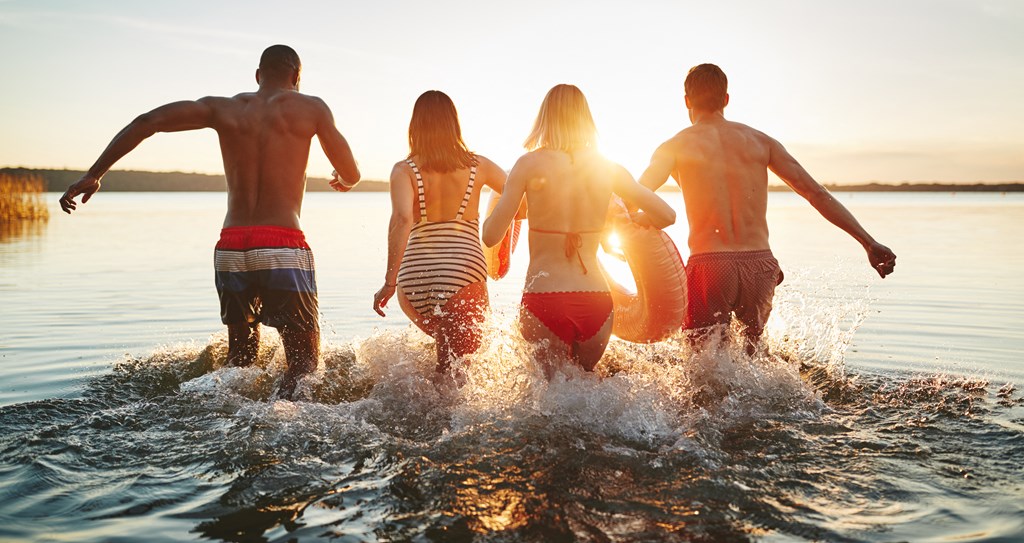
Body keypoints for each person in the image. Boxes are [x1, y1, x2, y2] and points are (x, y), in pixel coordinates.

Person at [58, 44, 360, 399]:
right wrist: (344, 178)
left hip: (231, 248)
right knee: (304, 365)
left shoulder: (223, 107)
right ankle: (280, 422)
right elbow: (353, 174)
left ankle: (227, 415)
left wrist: (95, 174)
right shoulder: (311, 108)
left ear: (258, 75)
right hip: (282, 244)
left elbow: (147, 122)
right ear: (296, 78)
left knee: (241, 362)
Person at [637, 63, 896, 352]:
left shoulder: (673, 146)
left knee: (702, 366)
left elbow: (638, 193)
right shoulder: (761, 141)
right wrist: (868, 242)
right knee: (754, 356)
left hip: (710, 266)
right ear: (726, 99)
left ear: (686, 101)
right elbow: (816, 194)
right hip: (760, 266)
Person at [483, 84, 676, 374]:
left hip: (545, 298)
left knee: (548, 399)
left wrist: (497, 203)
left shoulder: (528, 165)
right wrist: (633, 222)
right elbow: (667, 214)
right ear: (586, 119)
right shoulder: (608, 168)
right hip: (596, 301)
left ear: (545, 118)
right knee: (585, 387)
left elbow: (490, 235)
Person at [372, 90, 512, 373]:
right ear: (453, 124)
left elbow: (401, 220)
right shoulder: (478, 165)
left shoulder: (404, 170)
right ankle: (445, 416)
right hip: (462, 275)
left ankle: (416, 412)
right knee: (458, 372)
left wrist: (389, 283)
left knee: (444, 355)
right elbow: (517, 196)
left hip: (413, 280)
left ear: (416, 126)